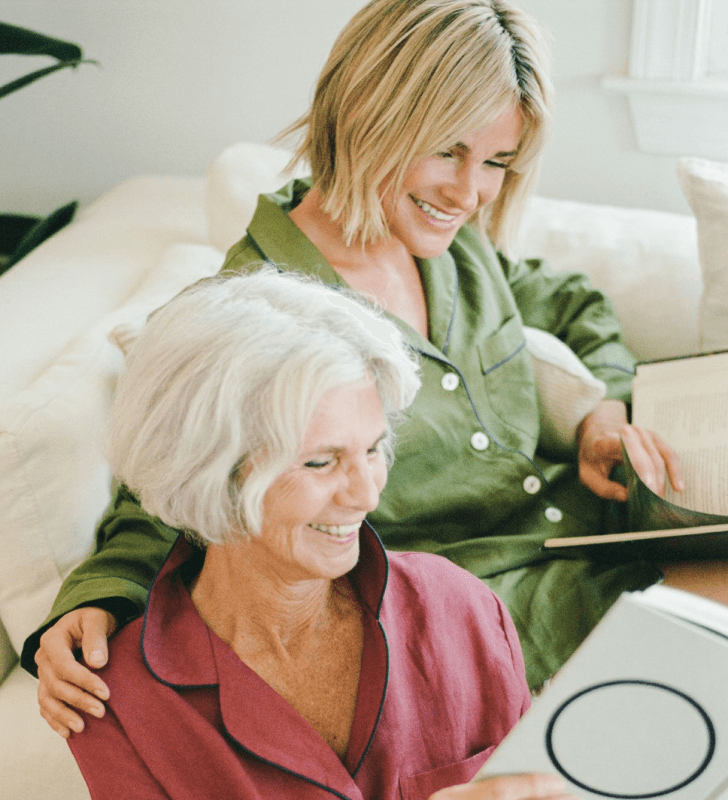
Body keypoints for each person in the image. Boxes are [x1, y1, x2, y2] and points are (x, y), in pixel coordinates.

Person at [27, 0, 725, 739]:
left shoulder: (452, 247)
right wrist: (96, 600)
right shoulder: (259, 310)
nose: (470, 192)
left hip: (600, 536)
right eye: (447, 151)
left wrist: (602, 415)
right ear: (368, 114)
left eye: (495, 162)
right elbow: (170, 493)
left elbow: (574, 303)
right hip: (482, 608)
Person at [67, 268, 570, 800]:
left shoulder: (463, 609)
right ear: (209, 471)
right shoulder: (113, 703)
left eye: (372, 449)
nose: (366, 495)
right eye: (321, 461)